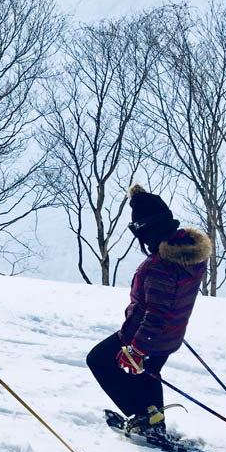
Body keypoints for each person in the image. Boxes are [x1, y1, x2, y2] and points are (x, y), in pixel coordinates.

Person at [87, 184, 209, 438]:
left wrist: (137, 349)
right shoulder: (191, 255)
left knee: (99, 359)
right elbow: (171, 301)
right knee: (149, 374)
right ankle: (155, 423)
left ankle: (145, 418)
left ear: (148, 231)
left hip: (147, 336)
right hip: (170, 335)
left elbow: (155, 314)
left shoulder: (159, 266)